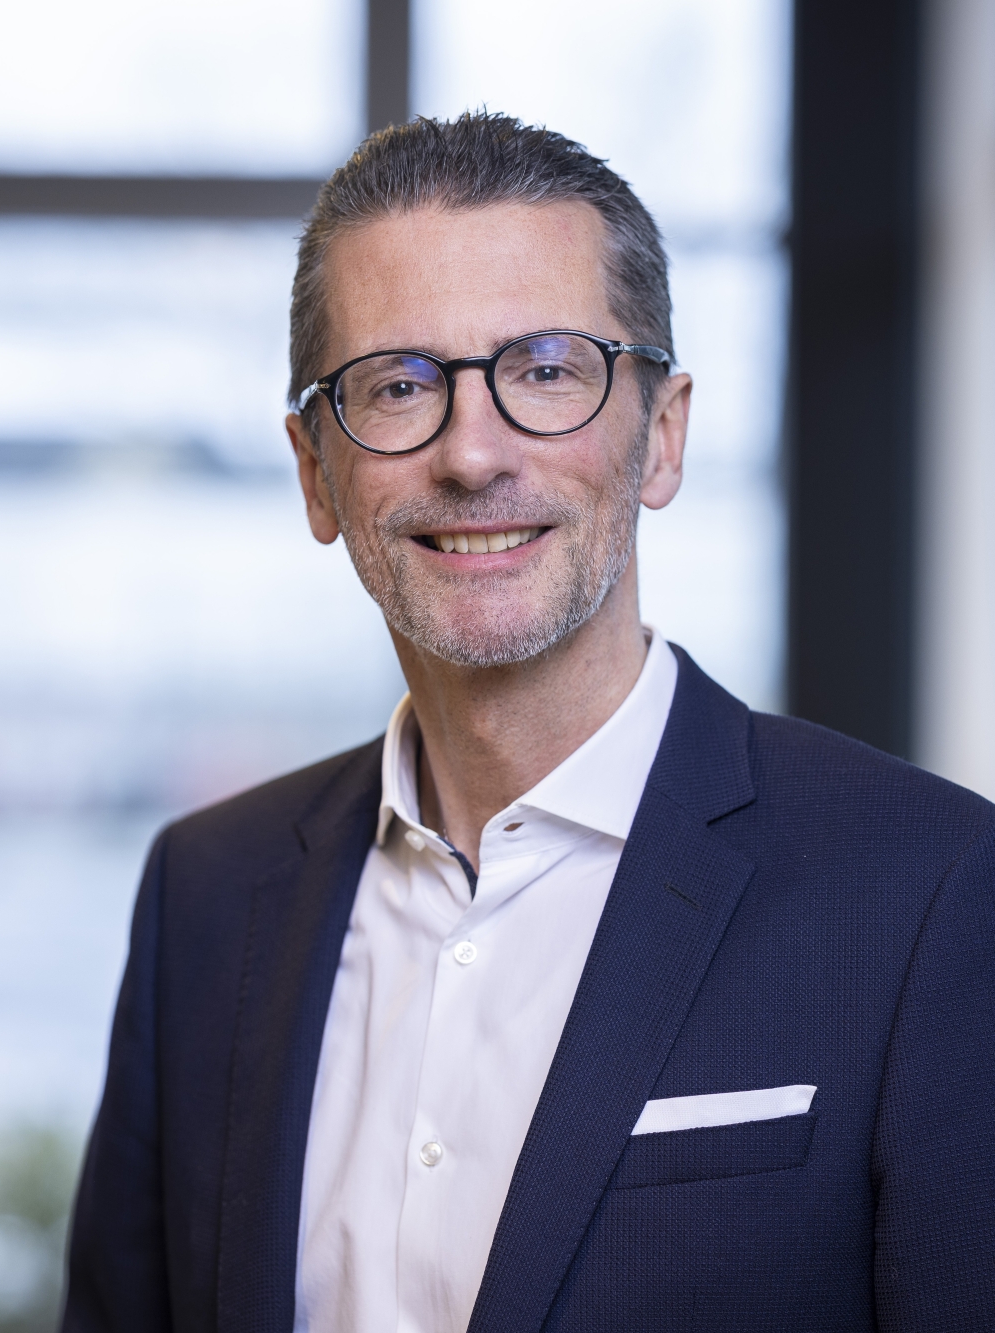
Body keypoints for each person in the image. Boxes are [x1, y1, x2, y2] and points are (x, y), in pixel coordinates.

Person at [63, 113, 995, 1333]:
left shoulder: (930, 889)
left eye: (547, 370)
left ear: (660, 434)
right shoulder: (205, 893)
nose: (472, 452)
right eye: (398, 386)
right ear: (314, 473)